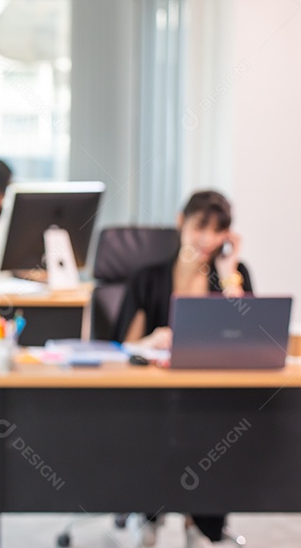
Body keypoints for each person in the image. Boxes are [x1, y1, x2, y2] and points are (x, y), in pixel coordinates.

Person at [113, 189, 251, 548]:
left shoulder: (234, 276)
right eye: (200, 228)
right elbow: (122, 348)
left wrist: (229, 274)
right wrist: (153, 339)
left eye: (218, 230)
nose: (208, 239)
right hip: (156, 396)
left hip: (213, 397)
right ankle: (148, 512)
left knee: (220, 424)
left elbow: (251, 338)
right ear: (181, 223)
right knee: (164, 425)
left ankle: (199, 521)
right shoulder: (148, 278)